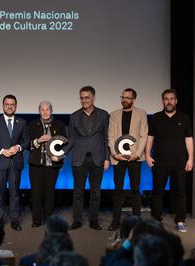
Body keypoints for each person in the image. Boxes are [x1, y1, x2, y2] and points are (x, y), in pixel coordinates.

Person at [146, 89, 193, 232]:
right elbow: (150, 138)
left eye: (172, 99)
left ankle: (180, 220)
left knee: (180, 192)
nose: (169, 101)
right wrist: (147, 155)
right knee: (157, 192)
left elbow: (189, 139)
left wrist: (191, 158)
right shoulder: (155, 118)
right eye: (166, 99)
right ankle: (156, 220)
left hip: (179, 162)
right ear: (163, 101)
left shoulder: (184, 118)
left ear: (176, 101)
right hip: (160, 162)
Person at [66, 86, 110, 230]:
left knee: (95, 192)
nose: (84, 100)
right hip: (79, 159)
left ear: (93, 98)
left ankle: (94, 220)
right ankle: (77, 220)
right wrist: (61, 153)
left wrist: (107, 158)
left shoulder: (104, 115)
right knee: (78, 192)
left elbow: (106, 139)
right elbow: (71, 139)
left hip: (97, 158)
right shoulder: (73, 116)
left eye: (87, 97)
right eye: (81, 98)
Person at [0, 94, 29, 231]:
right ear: (3, 105)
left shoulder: (22, 122)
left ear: (16, 106)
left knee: (15, 193)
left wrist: (18, 147)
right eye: (7, 104)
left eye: (12, 104)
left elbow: (26, 141)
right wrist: (1, 151)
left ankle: (14, 220)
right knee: (0, 193)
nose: (9, 107)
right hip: (0, 161)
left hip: (15, 163)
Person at [107, 88, 148, 231]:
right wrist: (113, 153)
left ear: (134, 99)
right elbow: (111, 136)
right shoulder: (113, 115)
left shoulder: (141, 114)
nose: (124, 100)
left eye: (128, 98)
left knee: (135, 189)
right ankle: (115, 221)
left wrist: (137, 154)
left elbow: (144, 135)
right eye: (123, 97)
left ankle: (137, 222)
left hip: (134, 158)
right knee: (117, 190)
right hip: (118, 158)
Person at [28, 101, 67, 228]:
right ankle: (36, 220)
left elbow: (64, 144)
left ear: (51, 111)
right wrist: (38, 141)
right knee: (36, 193)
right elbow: (27, 144)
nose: (45, 112)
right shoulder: (33, 124)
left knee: (50, 193)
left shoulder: (59, 125)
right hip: (36, 164)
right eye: (42, 109)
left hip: (52, 165)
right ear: (39, 111)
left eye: (47, 109)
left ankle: (49, 220)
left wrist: (59, 156)